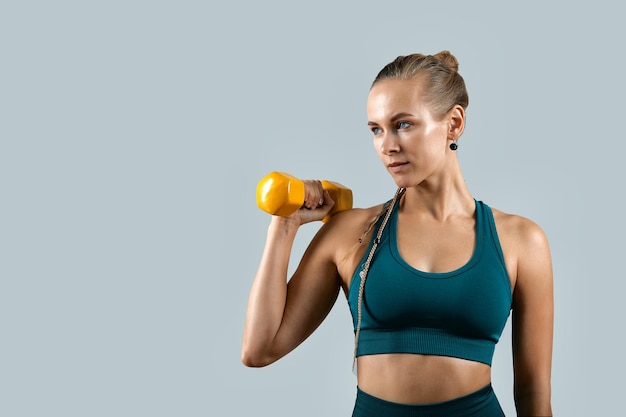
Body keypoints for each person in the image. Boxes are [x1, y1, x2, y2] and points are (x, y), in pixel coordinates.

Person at [241, 51, 553, 417]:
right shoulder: (351, 233)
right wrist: (285, 225)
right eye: (376, 129)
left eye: (403, 124)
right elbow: (259, 350)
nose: (387, 145)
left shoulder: (520, 240)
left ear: (453, 123)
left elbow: (533, 394)